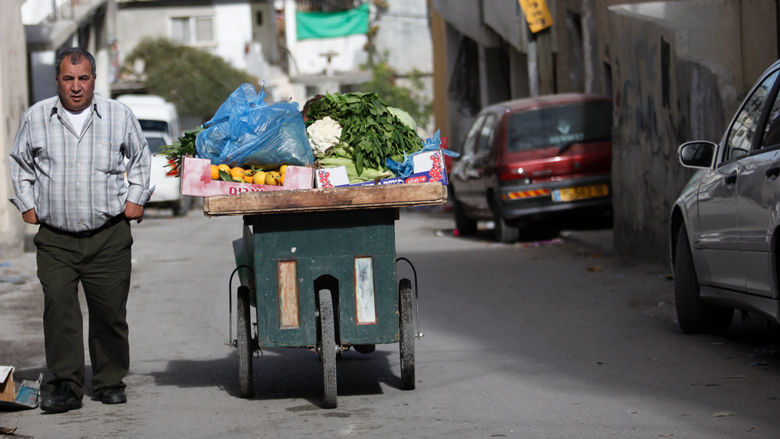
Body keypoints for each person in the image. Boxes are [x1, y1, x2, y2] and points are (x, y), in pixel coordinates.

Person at [7, 47, 152, 413]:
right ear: (57, 79)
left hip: (108, 234)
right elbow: (19, 162)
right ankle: (65, 386)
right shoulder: (37, 117)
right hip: (56, 239)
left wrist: (137, 197)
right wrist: (26, 203)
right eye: (68, 78)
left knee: (109, 313)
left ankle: (108, 381)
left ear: (93, 79)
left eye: (83, 78)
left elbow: (141, 157)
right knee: (59, 311)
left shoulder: (118, 116)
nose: (75, 87)